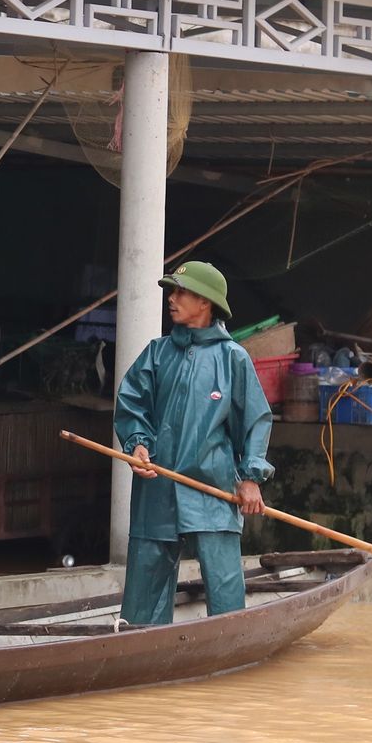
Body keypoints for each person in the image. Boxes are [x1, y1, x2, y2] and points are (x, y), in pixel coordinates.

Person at [113, 259, 274, 626]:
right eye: (173, 291)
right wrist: (137, 444)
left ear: (206, 302)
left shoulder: (232, 358)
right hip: (157, 485)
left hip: (211, 487)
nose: (172, 298)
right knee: (145, 586)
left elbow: (255, 421)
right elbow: (132, 402)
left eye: (181, 292)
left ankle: (229, 648)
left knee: (224, 585)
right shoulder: (157, 353)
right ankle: (141, 650)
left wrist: (250, 479)